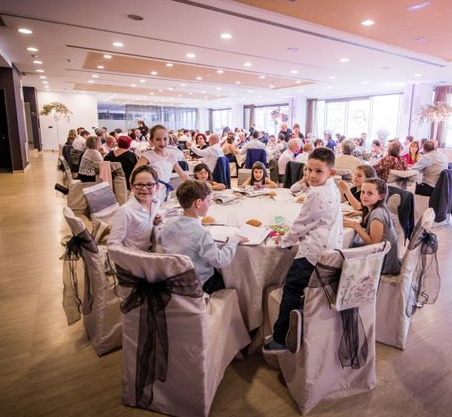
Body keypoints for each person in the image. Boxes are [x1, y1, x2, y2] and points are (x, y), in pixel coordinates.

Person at [265, 147, 343, 352]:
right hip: (329, 245)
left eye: (318, 171)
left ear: (331, 173)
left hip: (313, 251)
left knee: (291, 288)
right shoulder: (331, 186)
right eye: (309, 170)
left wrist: (284, 241)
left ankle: (280, 338)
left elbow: (301, 224)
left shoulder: (318, 194)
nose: (311, 175)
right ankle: (300, 318)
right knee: (298, 287)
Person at [158, 180, 248, 294]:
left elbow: (160, 240)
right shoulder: (201, 233)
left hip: (173, 279)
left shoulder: (169, 223)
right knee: (234, 280)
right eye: (208, 201)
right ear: (198, 203)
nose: (209, 204)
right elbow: (221, 261)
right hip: (199, 283)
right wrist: (234, 240)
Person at [342, 178, 400, 275]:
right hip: (383, 255)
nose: (364, 196)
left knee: (343, 253)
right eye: (363, 192)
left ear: (381, 196)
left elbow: (374, 244)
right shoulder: (377, 209)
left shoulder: (377, 215)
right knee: (352, 244)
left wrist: (356, 226)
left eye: (370, 193)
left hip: (382, 262)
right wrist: (360, 213)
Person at [108, 165, 162, 251]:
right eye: (139, 185)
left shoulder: (156, 203)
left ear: (157, 187)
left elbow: (146, 221)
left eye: (149, 184)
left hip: (149, 251)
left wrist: (156, 219)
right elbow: (113, 243)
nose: (144, 189)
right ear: (132, 187)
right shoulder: (125, 211)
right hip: (133, 257)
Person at [133, 125, 189, 202]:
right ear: (151, 141)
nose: (162, 142)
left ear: (169, 139)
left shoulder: (171, 157)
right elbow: (133, 176)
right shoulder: (147, 157)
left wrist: (198, 187)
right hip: (148, 194)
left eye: (165, 139)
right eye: (158, 139)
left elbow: (183, 175)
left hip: (163, 193)